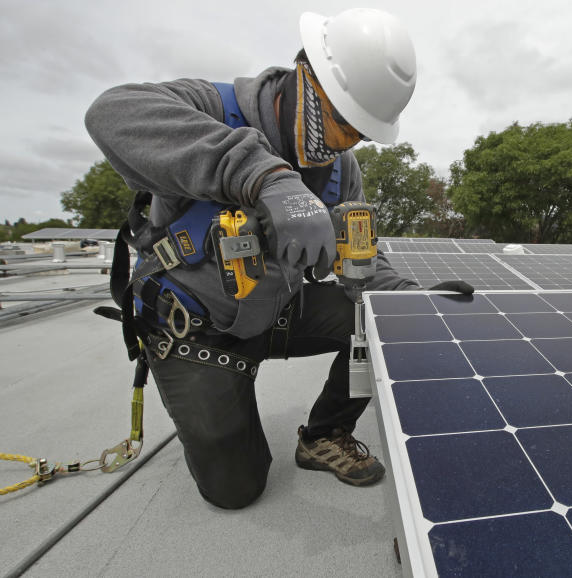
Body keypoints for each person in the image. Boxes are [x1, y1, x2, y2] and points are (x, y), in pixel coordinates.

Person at [85, 8, 471, 509]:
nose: (346, 143)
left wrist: (405, 298)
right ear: (305, 78)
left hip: (275, 311)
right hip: (195, 329)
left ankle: (324, 433)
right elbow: (110, 111)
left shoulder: (340, 170)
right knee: (236, 490)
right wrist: (266, 177)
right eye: (342, 124)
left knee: (378, 323)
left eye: (361, 133)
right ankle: (215, 401)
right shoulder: (212, 108)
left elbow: (358, 260)